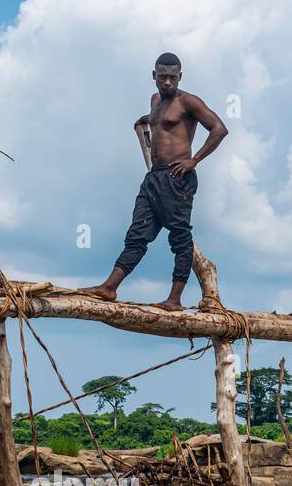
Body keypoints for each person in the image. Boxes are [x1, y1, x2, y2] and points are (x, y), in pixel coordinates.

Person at [82, 53, 228, 311]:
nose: (168, 82)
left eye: (173, 77)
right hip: (154, 177)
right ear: (154, 76)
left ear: (180, 76)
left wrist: (193, 160)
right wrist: (146, 119)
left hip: (177, 178)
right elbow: (163, 121)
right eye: (163, 77)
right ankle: (110, 287)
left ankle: (174, 299)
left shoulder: (189, 102)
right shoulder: (155, 101)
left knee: (180, 238)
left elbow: (219, 128)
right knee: (137, 234)